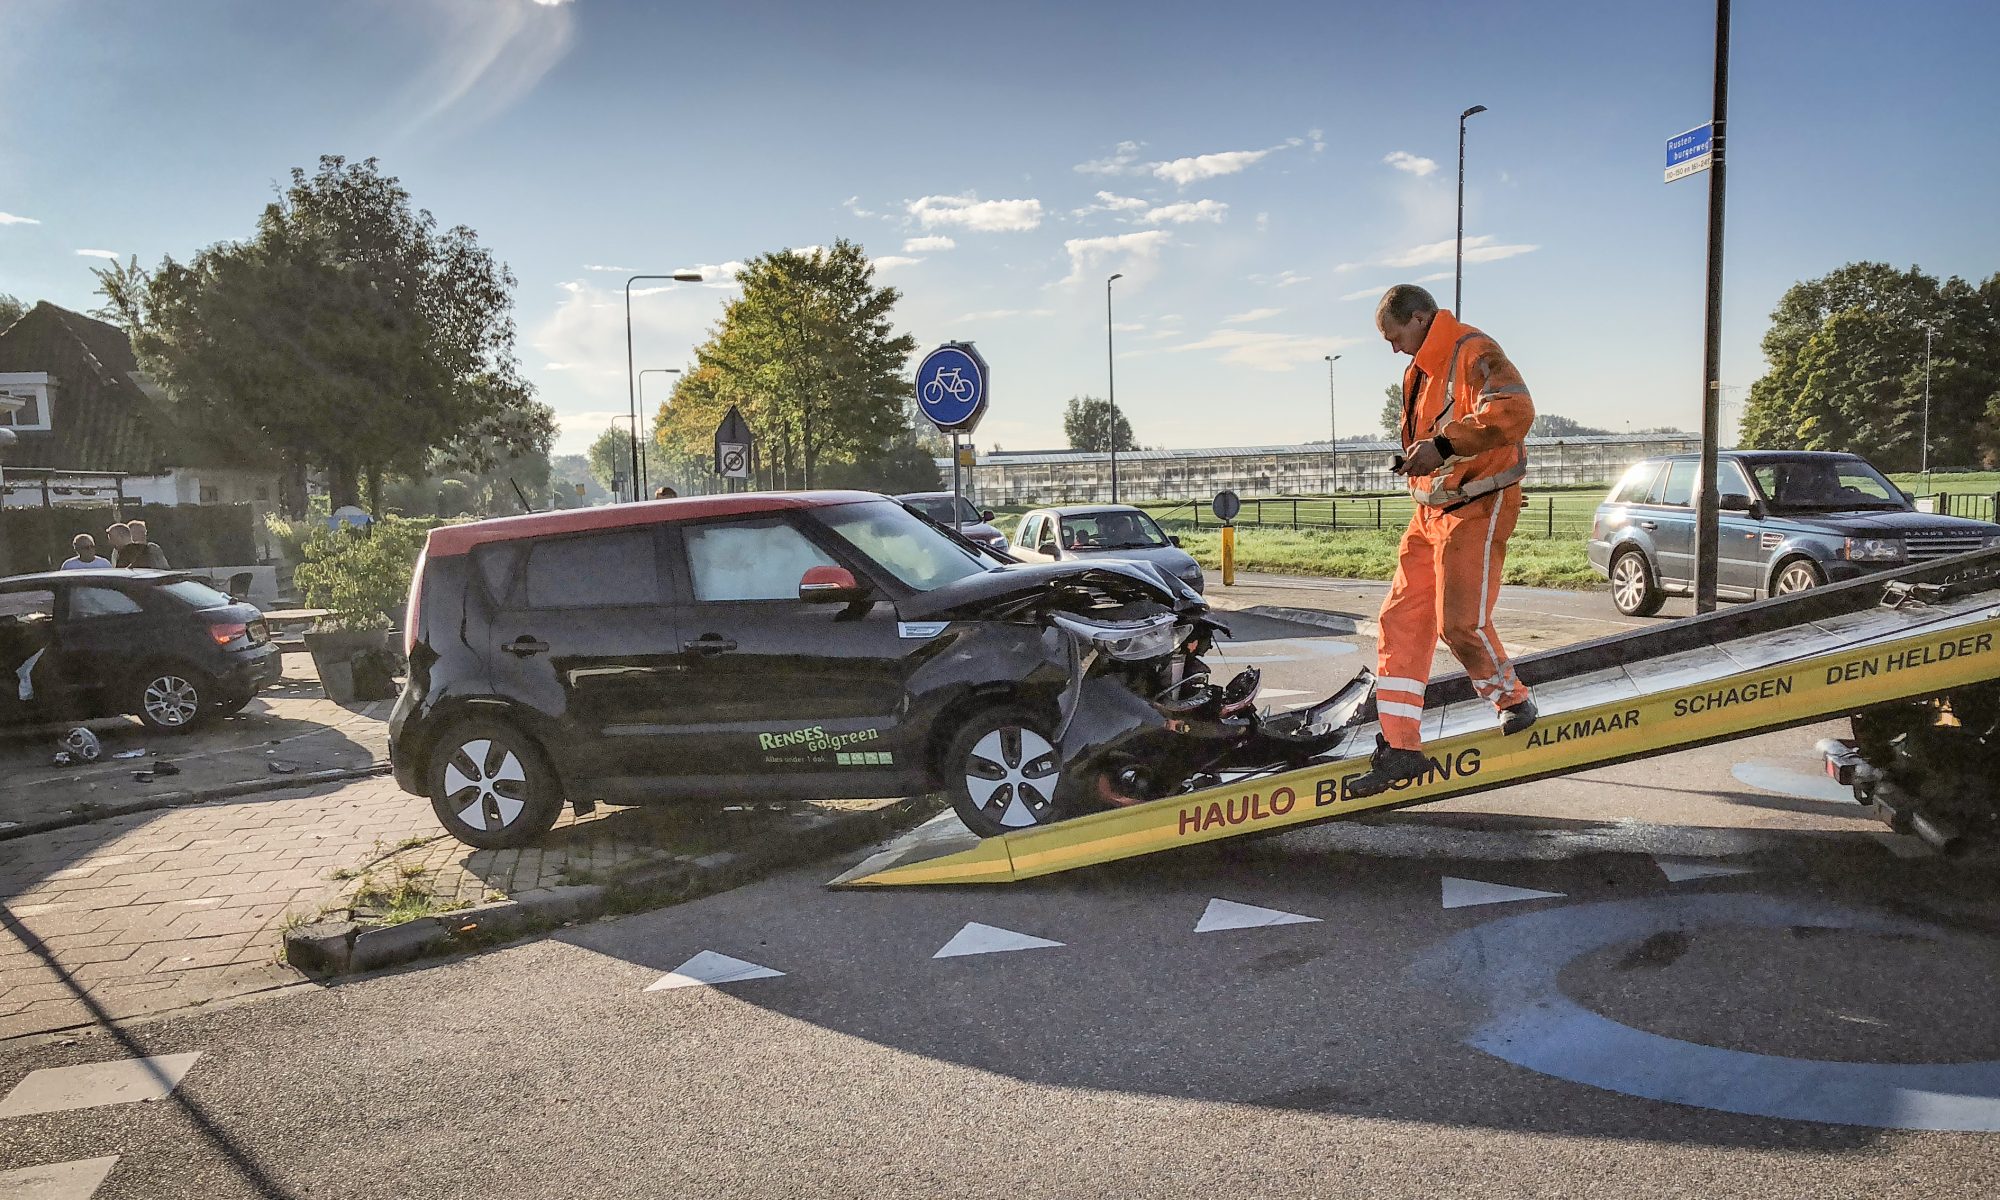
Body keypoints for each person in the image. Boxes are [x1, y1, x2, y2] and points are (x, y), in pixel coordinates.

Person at [1346, 284, 1538, 798]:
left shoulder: (1475, 351)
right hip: (1430, 510)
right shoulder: (1418, 371)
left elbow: (1515, 413)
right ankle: (1400, 748)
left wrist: (1444, 446)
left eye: (1394, 336)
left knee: (1460, 624)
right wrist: (1421, 458)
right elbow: (1427, 439)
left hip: (1479, 500)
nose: (1392, 348)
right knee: (1399, 621)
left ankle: (1512, 700)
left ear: (1420, 317)